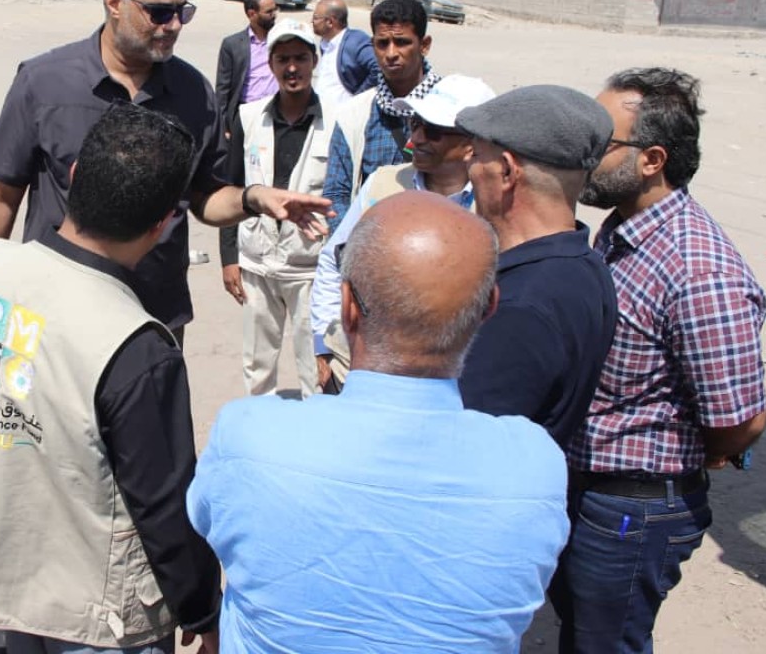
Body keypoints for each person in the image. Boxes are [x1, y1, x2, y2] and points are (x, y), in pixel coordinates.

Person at [188, 191, 569, 653]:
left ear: (346, 306)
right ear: (488, 307)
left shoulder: (247, 436)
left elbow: (207, 529)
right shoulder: (535, 466)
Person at [0, 103, 222, 654]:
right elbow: (162, 504)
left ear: (71, 178)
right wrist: (201, 609)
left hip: (2, 574)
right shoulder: (135, 345)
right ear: (163, 223)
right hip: (94, 614)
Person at [0, 0, 330, 339]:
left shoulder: (193, 93)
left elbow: (205, 196)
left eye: (181, 11)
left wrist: (254, 198)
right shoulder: (44, 82)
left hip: (154, 322)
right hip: (53, 322)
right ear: (113, 2)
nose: (173, 25)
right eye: (159, 12)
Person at [551, 67, 766, 653]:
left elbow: (740, 422)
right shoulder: (623, 229)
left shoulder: (700, 270)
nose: (584, 154)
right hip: (588, 489)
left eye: (602, 143)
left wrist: (701, 449)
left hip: (631, 510)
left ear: (651, 159)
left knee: (606, 644)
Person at [453, 85, 619, 447]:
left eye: (477, 155)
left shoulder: (521, 305)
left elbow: (467, 446)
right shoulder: (583, 265)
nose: (469, 167)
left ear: (507, 171)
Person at [310, 74, 492, 390]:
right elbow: (333, 261)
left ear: (470, 144)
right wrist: (325, 344)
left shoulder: (495, 207)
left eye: (432, 131)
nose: (416, 139)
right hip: (358, 374)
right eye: (414, 124)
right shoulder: (383, 183)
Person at [219, 19, 336, 396]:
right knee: (257, 367)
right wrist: (228, 256)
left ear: (314, 61)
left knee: (315, 370)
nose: (292, 68)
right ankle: (260, 437)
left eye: (300, 58)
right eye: (283, 58)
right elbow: (232, 189)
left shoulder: (336, 121)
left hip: (310, 269)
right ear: (270, 63)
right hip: (257, 261)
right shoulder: (249, 116)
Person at [321, 0, 442, 229]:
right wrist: (352, 247)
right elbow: (337, 193)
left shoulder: (449, 108)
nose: (391, 53)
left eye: (402, 42)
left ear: (424, 45)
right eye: (382, 43)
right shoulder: (354, 114)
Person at [215, 0, 279, 136]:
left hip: (276, 113)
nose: (274, 15)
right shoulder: (232, 45)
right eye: (269, 12)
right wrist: (223, 126)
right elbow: (222, 89)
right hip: (245, 114)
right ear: (252, 14)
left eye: (275, 10)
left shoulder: (281, 40)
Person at [310, 0, 378, 104]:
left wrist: (358, 98)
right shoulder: (326, 43)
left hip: (345, 116)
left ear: (330, 22)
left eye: (316, 17)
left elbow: (378, 69)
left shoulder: (355, 41)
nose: (312, 21)